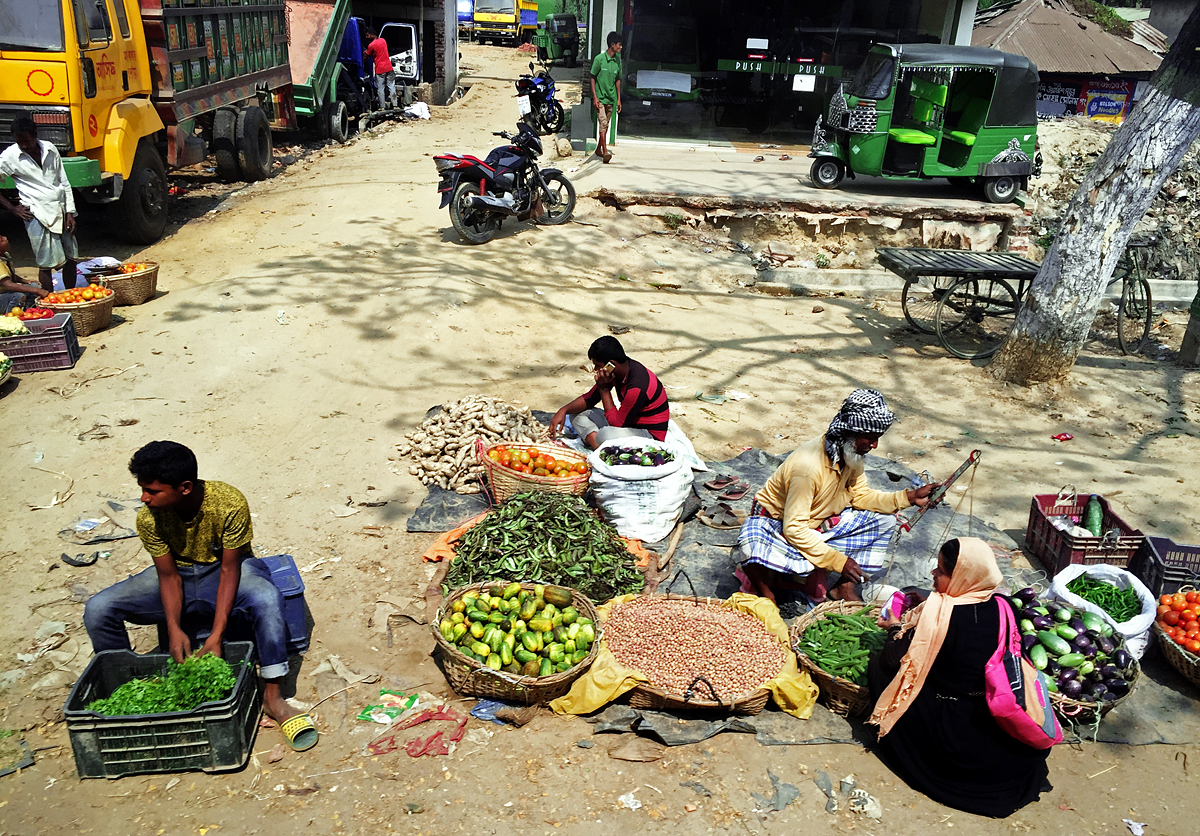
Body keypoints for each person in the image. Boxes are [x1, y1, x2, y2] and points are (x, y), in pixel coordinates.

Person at [83, 441, 319, 752]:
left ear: (184, 487)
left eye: (152, 491)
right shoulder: (149, 518)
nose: (144, 498)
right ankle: (129, 690)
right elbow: (167, 576)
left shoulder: (228, 502)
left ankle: (272, 697)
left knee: (266, 597)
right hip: (177, 574)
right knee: (98, 608)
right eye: (142, 489)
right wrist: (174, 628)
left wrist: (217, 634)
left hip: (223, 570)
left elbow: (230, 570)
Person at [868, 537, 1051, 817]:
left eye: (941, 571)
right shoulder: (1004, 605)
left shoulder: (938, 615)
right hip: (990, 712)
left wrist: (894, 627)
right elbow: (969, 620)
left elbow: (894, 661)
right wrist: (931, 603)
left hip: (949, 724)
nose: (933, 575)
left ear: (962, 577)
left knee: (879, 669)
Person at [734, 389, 938, 604]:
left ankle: (843, 588)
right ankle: (767, 595)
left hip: (818, 521)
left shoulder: (848, 453)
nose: (874, 445)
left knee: (885, 520)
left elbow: (861, 496)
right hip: (779, 524)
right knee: (753, 546)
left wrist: (910, 497)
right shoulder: (809, 469)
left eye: (877, 438)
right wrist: (839, 562)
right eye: (869, 438)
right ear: (849, 433)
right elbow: (793, 528)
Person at [0, 116, 79, 293]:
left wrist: (70, 212)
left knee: (71, 257)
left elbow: (63, 181)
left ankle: (72, 296)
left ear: (35, 135)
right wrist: (12, 209)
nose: (25, 146)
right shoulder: (9, 157)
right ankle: (50, 299)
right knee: (46, 263)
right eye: (20, 142)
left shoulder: (50, 149)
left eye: (27, 141)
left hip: (60, 208)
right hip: (36, 212)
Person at [549, 336, 669, 449]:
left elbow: (617, 424)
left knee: (605, 435)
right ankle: (600, 448)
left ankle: (602, 448)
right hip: (627, 426)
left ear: (611, 364)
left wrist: (604, 390)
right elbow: (590, 398)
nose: (595, 370)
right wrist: (563, 410)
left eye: (597, 366)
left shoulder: (637, 385)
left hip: (649, 436)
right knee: (576, 414)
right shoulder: (618, 371)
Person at [589, 31, 622, 163]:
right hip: (600, 98)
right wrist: (595, 97)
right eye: (619, 45)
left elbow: (618, 80)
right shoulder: (599, 59)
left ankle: (598, 149)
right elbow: (592, 77)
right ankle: (604, 152)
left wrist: (618, 99)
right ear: (612, 45)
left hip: (611, 98)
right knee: (603, 123)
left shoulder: (617, 60)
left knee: (606, 125)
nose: (621, 47)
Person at [0, 233, 49, 314]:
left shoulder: (5, 256)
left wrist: (25, 281)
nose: (5, 238)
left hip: (6, 291)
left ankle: (30, 310)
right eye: (2, 240)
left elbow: (8, 274)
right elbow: (7, 284)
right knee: (18, 296)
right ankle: (11, 316)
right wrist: (36, 290)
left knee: (34, 285)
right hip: (2, 295)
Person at [364, 30, 397, 110]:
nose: (366, 37)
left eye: (367, 35)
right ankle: (395, 105)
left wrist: (364, 53)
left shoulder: (371, 45)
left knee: (380, 88)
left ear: (372, 35)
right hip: (389, 68)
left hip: (380, 70)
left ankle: (382, 106)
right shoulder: (383, 40)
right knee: (392, 87)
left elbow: (366, 56)